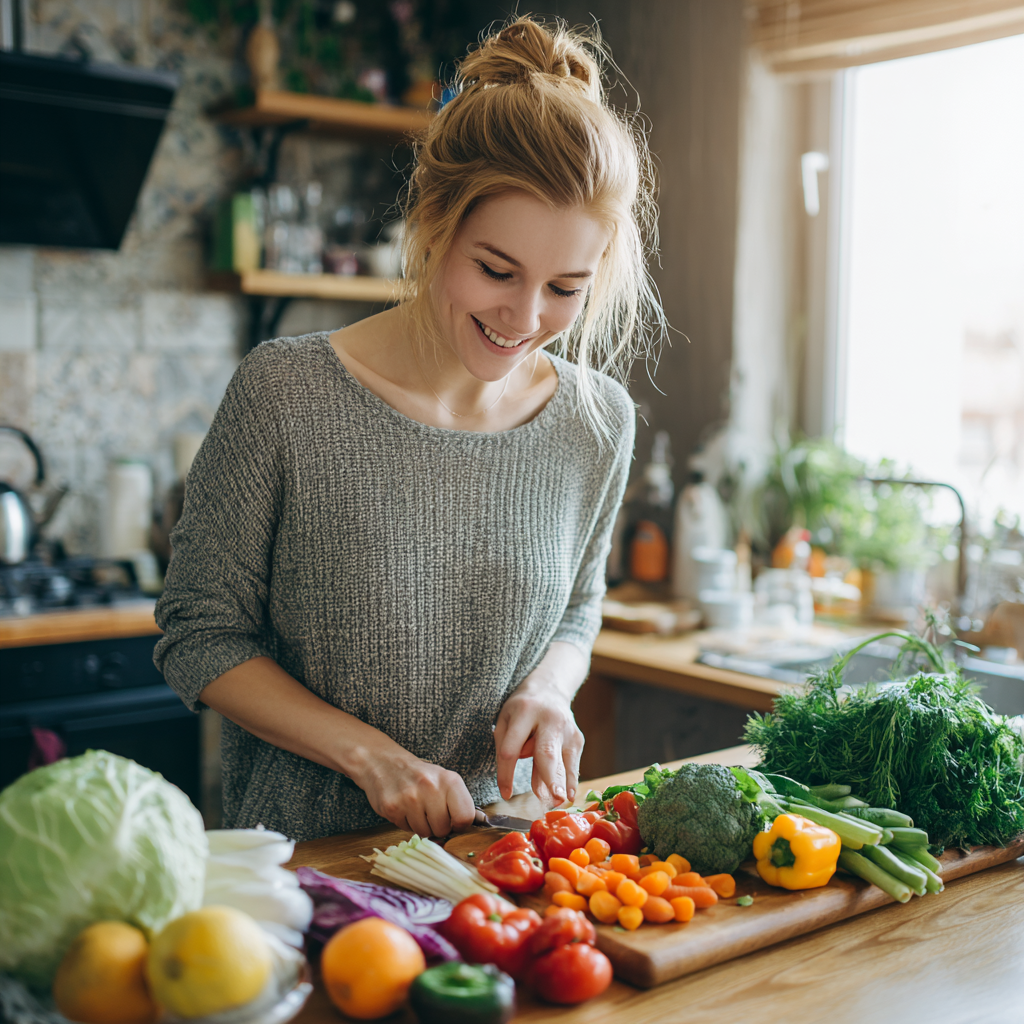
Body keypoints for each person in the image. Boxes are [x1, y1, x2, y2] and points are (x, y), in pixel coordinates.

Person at [154, 15, 664, 842]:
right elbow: (199, 635)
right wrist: (370, 757)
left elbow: (578, 607)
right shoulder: (286, 393)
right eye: (496, 270)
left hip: (499, 865)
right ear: (434, 226)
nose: (525, 318)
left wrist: (549, 688)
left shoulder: (598, 422)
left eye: (565, 287)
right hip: (309, 872)